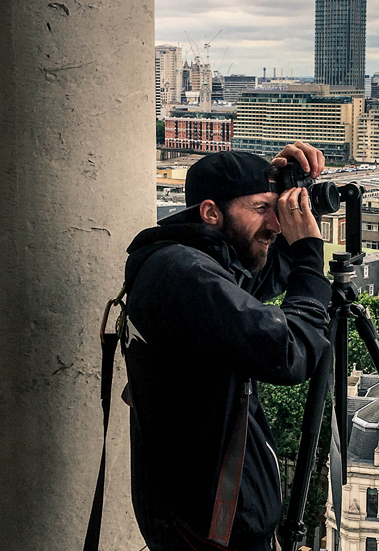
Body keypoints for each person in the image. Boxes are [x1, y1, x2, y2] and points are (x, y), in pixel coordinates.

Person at [121, 142, 333, 551]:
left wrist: (287, 190)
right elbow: (290, 352)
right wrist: (310, 255)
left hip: (201, 521)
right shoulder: (186, 277)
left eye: (278, 208)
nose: (274, 222)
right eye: (260, 208)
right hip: (215, 532)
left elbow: (262, 275)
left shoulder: (186, 263)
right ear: (211, 212)